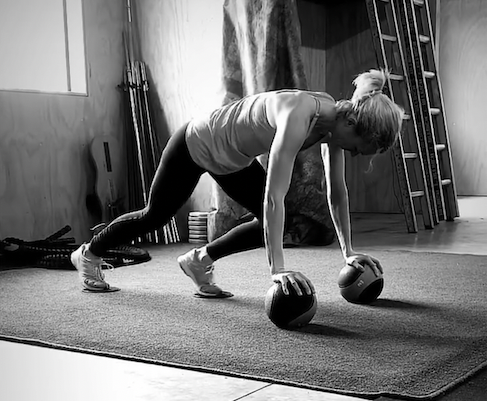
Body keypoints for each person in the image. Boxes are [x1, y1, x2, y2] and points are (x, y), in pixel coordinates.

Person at [71, 68, 404, 296]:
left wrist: (348, 252)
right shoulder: (300, 115)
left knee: (275, 222)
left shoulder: (335, 127)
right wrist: (278, 269)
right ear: (351, 122)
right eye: (359, 149)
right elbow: (274, 195)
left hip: (232, 160)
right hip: (196, 143)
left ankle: (199, 260)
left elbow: (337, 193)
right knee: (154, 216)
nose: (356, 155)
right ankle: (89, 253)